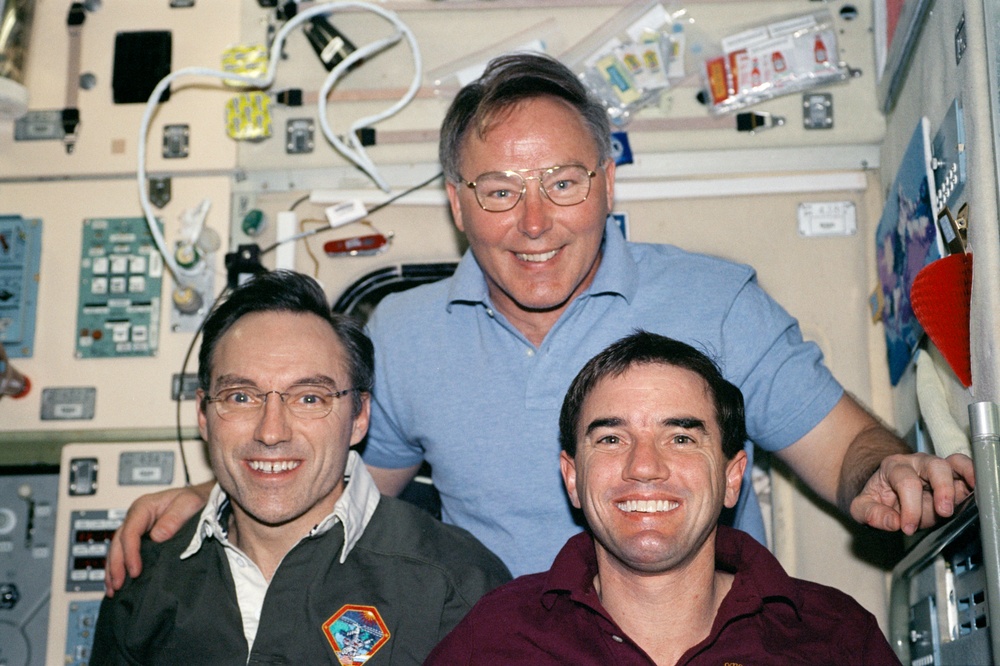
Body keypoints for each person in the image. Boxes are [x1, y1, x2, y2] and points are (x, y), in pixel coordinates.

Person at [106, 52, 973, 584]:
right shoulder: (403, 339)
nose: (533, 224)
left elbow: (849, 452)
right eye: (498, 191)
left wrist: (889, 475)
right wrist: (222, 498)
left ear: (605, 183)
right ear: (455, 201)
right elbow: (341, 497)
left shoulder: (715, 302)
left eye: (563, 184)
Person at [90, 270, 510, 665]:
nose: (271, 432)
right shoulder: (144, 579)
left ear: (359, 415)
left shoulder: (455, 586)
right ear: (203, 413)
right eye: (241, 397)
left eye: (310, 398)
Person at [426, 331, 902, 665]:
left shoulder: (833, 636)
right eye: (611, 439)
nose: (644, 467)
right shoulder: (494, 638)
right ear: (572, 477)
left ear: (733, 477)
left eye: (681, 438)